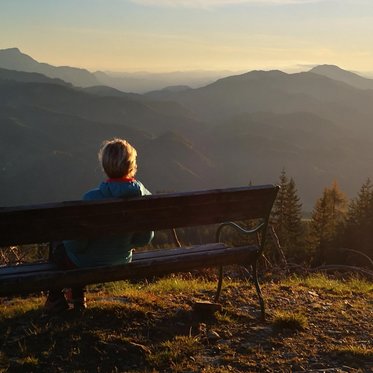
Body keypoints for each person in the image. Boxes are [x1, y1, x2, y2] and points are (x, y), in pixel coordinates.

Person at [44, 138, 154, 313]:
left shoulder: (91, 199)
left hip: (86, 262)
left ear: (105, 166)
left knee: (59, 244)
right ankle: (76, 298)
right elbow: (144, 239)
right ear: (132, 165)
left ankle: (56, 297)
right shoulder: (144, 197)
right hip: (121, 259)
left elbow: (77, 245)